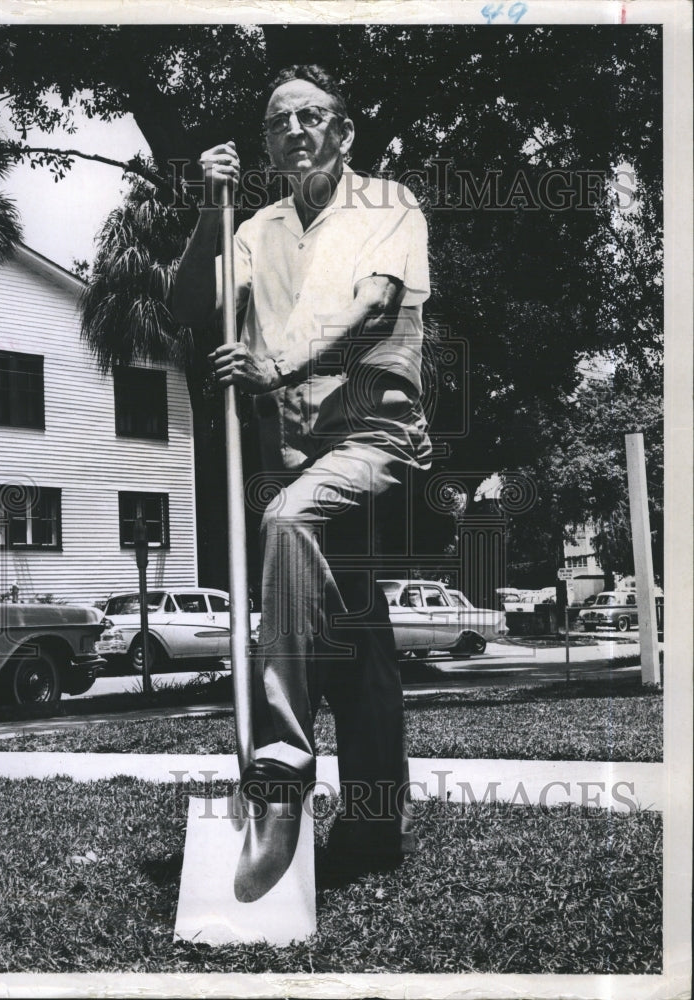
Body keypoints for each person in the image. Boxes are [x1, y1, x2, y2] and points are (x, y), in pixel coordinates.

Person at [172, 65, 431, 872]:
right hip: (291, 454)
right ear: (264, 144)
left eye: (312, 116)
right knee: (358, 639)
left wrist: (276, 365)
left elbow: (374, 307)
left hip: (375, 444)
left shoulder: (388, 205)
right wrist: (203, 214)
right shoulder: (252, 227)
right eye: (278, 120)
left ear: (343, 131)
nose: (295, 130)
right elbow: (191, 306)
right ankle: (371, 830)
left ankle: (281, 754)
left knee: (289, 519)